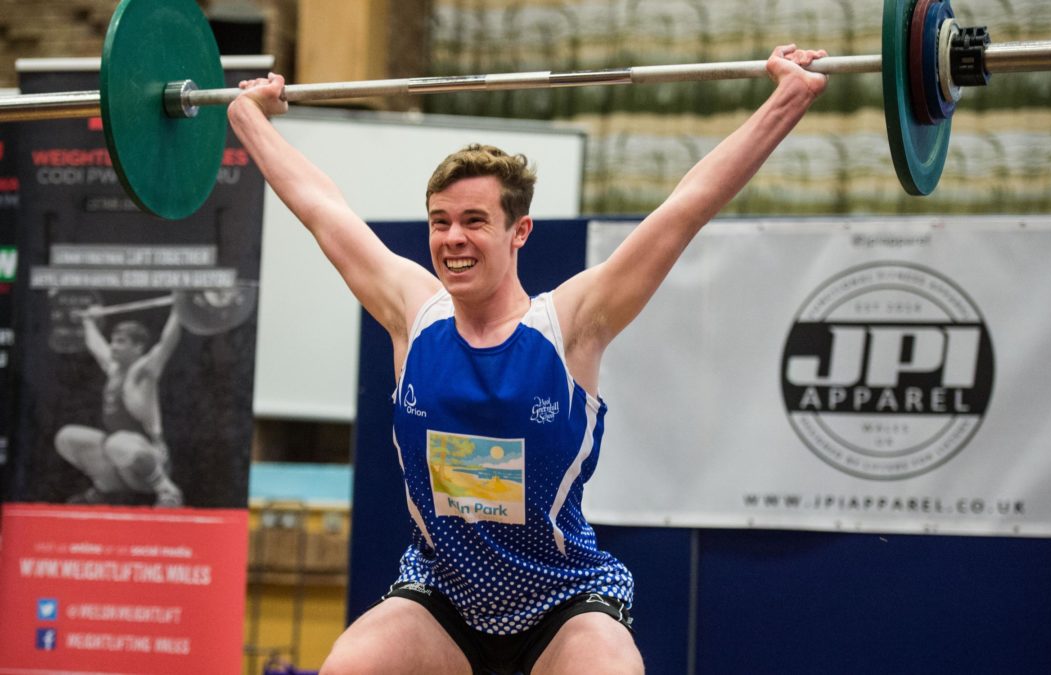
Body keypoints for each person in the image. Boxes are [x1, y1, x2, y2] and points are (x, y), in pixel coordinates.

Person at [228, 43, 828, 675]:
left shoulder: (568, 325)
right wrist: (248, 118)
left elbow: (687, 207)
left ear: (519, 231)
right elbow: (322, 210)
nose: (452, 239)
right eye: (440, 222)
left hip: (562, 602)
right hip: (444, 598)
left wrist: (788, 96)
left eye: (473, 221)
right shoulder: (413, 313)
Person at [54, 304, 184, 507]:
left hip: (151, 459)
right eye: (113, 341)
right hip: (120, 460)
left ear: (138, 347)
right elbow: (97, 347)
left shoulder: (145, 371)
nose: (113, 346)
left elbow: (167, 342)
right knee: (67, 437)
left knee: (117, 442)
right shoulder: (114, 369)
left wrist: (180, 308)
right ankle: (105, 489)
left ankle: (167, 490)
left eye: (121, 342)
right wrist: (88, 321)